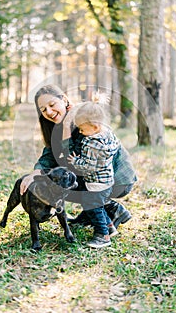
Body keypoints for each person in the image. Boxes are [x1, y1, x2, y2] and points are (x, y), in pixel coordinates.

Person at [20, 84, 137, 242]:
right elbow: (50, 153)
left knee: (65, 181)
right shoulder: (58, 126)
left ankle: (109, 215)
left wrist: (67, 130)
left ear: (64, 99)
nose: (48, 111)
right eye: (43, 109)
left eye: (52, 104)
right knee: (61, 178)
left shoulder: (83, 120)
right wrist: (36, 172)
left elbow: (75, 161)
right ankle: (93, 213)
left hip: (117, 179)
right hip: (102, 178)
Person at [67, 101, 120, 248]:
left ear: (95, 127)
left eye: (82, 129)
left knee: (92, 207)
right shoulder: (107, 135)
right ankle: (110, 226)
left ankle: (103, 235)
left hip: (96, 182)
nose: (81, 132)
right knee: (98, 206)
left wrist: (75, 161)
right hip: (107, 180)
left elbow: (89, 167)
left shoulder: (92, 144)